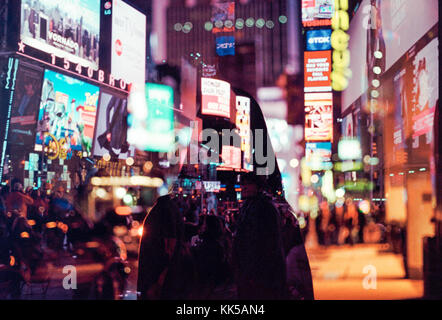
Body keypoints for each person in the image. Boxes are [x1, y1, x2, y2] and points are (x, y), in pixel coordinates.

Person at [232, 173, 288, 300]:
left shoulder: (262, 207)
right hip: (252, 270)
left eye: (248, 184)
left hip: (261, 271)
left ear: (258, 187)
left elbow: (262, 242)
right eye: (243, 184)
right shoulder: (250, 205)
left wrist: (252, 270)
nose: (244, 187)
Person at [137, 195, 195, 300]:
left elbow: (169, 244)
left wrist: (160, 279)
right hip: (162, 274)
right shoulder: (168, 209)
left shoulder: (163, 209)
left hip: (157, 273)